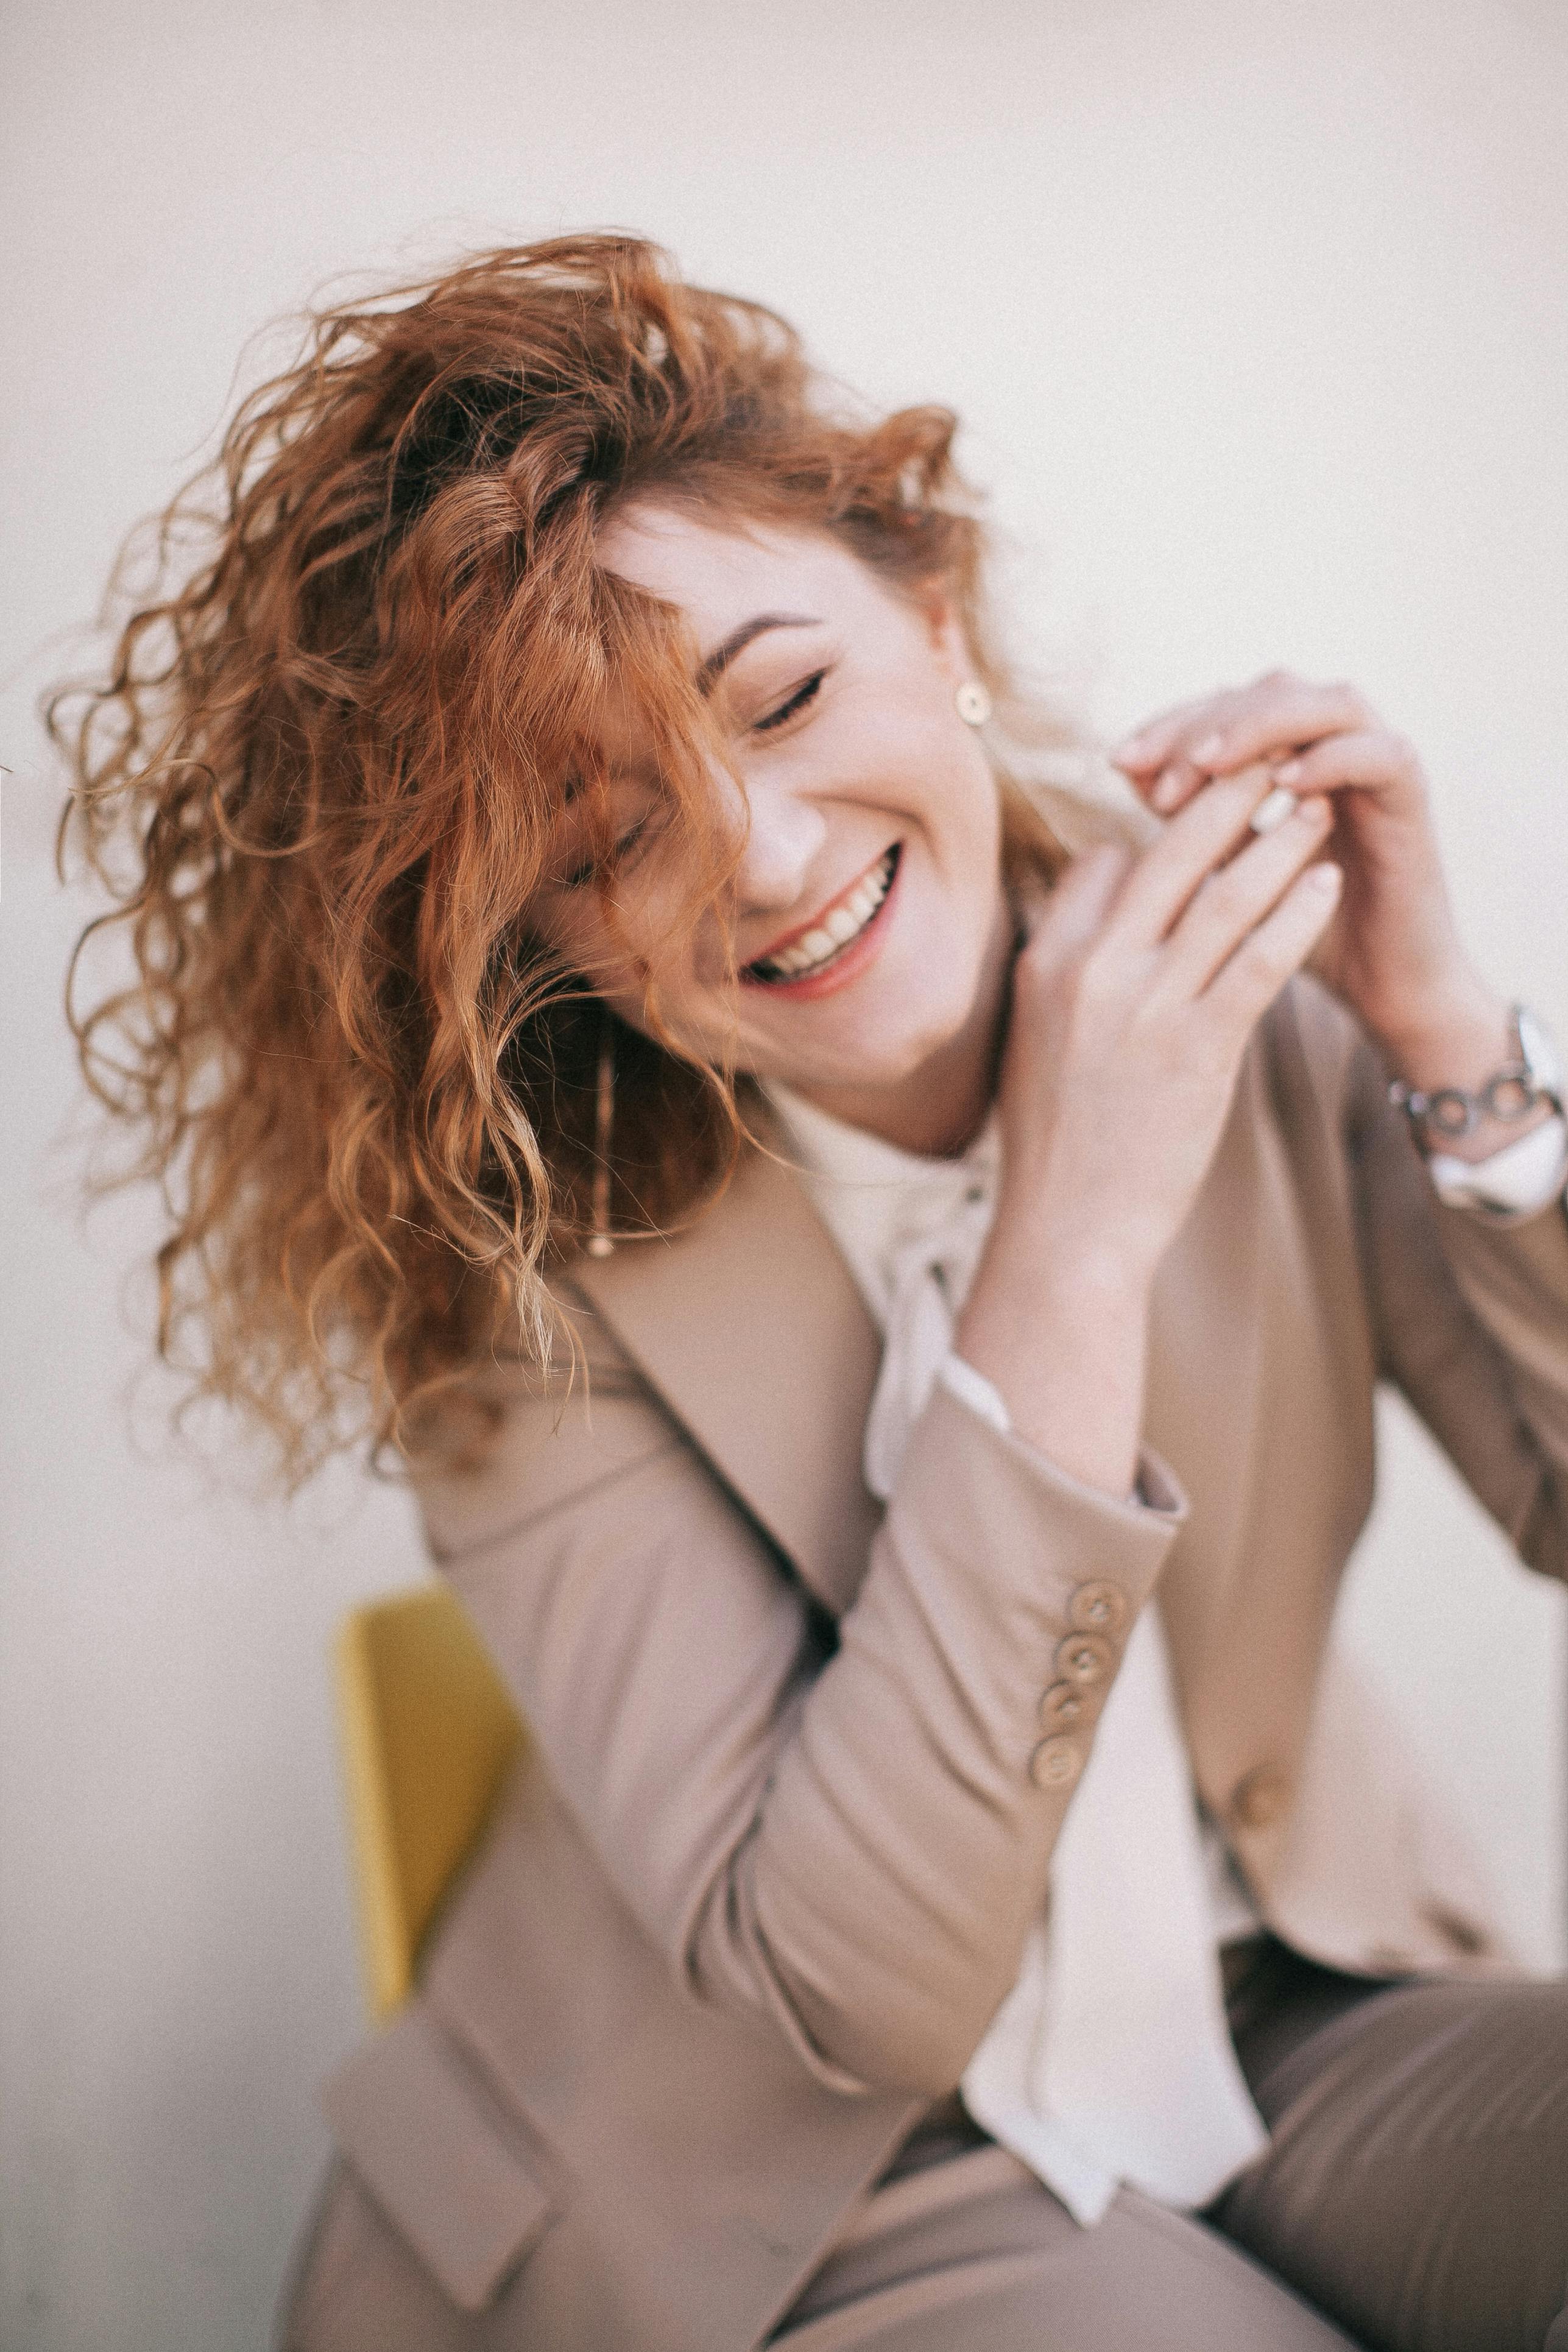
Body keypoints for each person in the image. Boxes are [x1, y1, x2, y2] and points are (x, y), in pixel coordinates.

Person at [57, 236, 1568, 2352]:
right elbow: (862, 1993)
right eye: (606, 844)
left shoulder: (1221, 967)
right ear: (535, 947)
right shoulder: (512, 1291)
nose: (761, 858)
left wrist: (1440, 1032)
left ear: (933, 623)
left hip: (1289, 2017)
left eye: (781, 699)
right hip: (790, 2174)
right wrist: (1070, 1239)